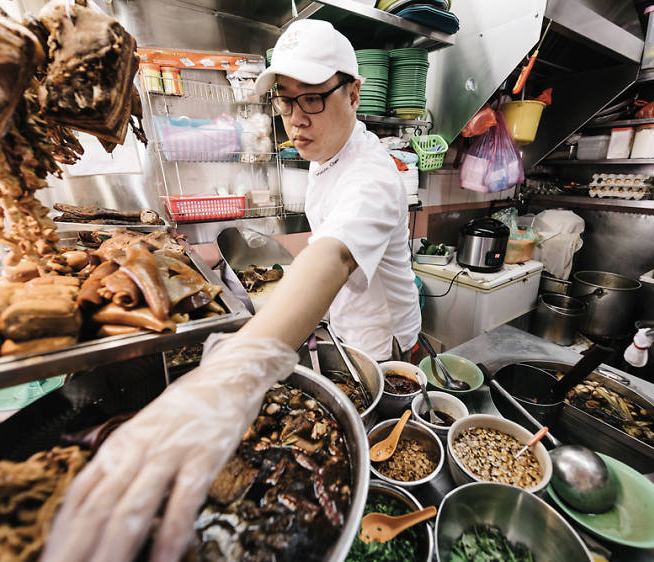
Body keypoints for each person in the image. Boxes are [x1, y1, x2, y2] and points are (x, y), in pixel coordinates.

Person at [42, 20, 421, 562]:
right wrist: (246, 246)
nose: (296, 118)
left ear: (354, 93)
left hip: (380, 339)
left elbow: (337, 253)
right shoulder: (326, 155)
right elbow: (328, 232)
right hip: (343, 317)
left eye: (311, 99)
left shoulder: (374, 175)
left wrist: (232, 372)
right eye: (286, 103)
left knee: (369, 439)